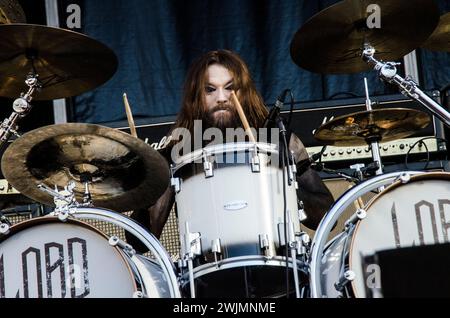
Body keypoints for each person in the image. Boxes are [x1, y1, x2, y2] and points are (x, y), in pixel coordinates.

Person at [130, 49, 334, 241]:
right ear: (196, 97)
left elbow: (327, 217)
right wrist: (148, 189)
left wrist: (282, 185)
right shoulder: (180, 151)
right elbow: (139, 242)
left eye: (230, 88)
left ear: (244, 92)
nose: (221, 98)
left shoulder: (276, 139)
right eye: (210, 90)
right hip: (205, 272)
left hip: (280, 266)